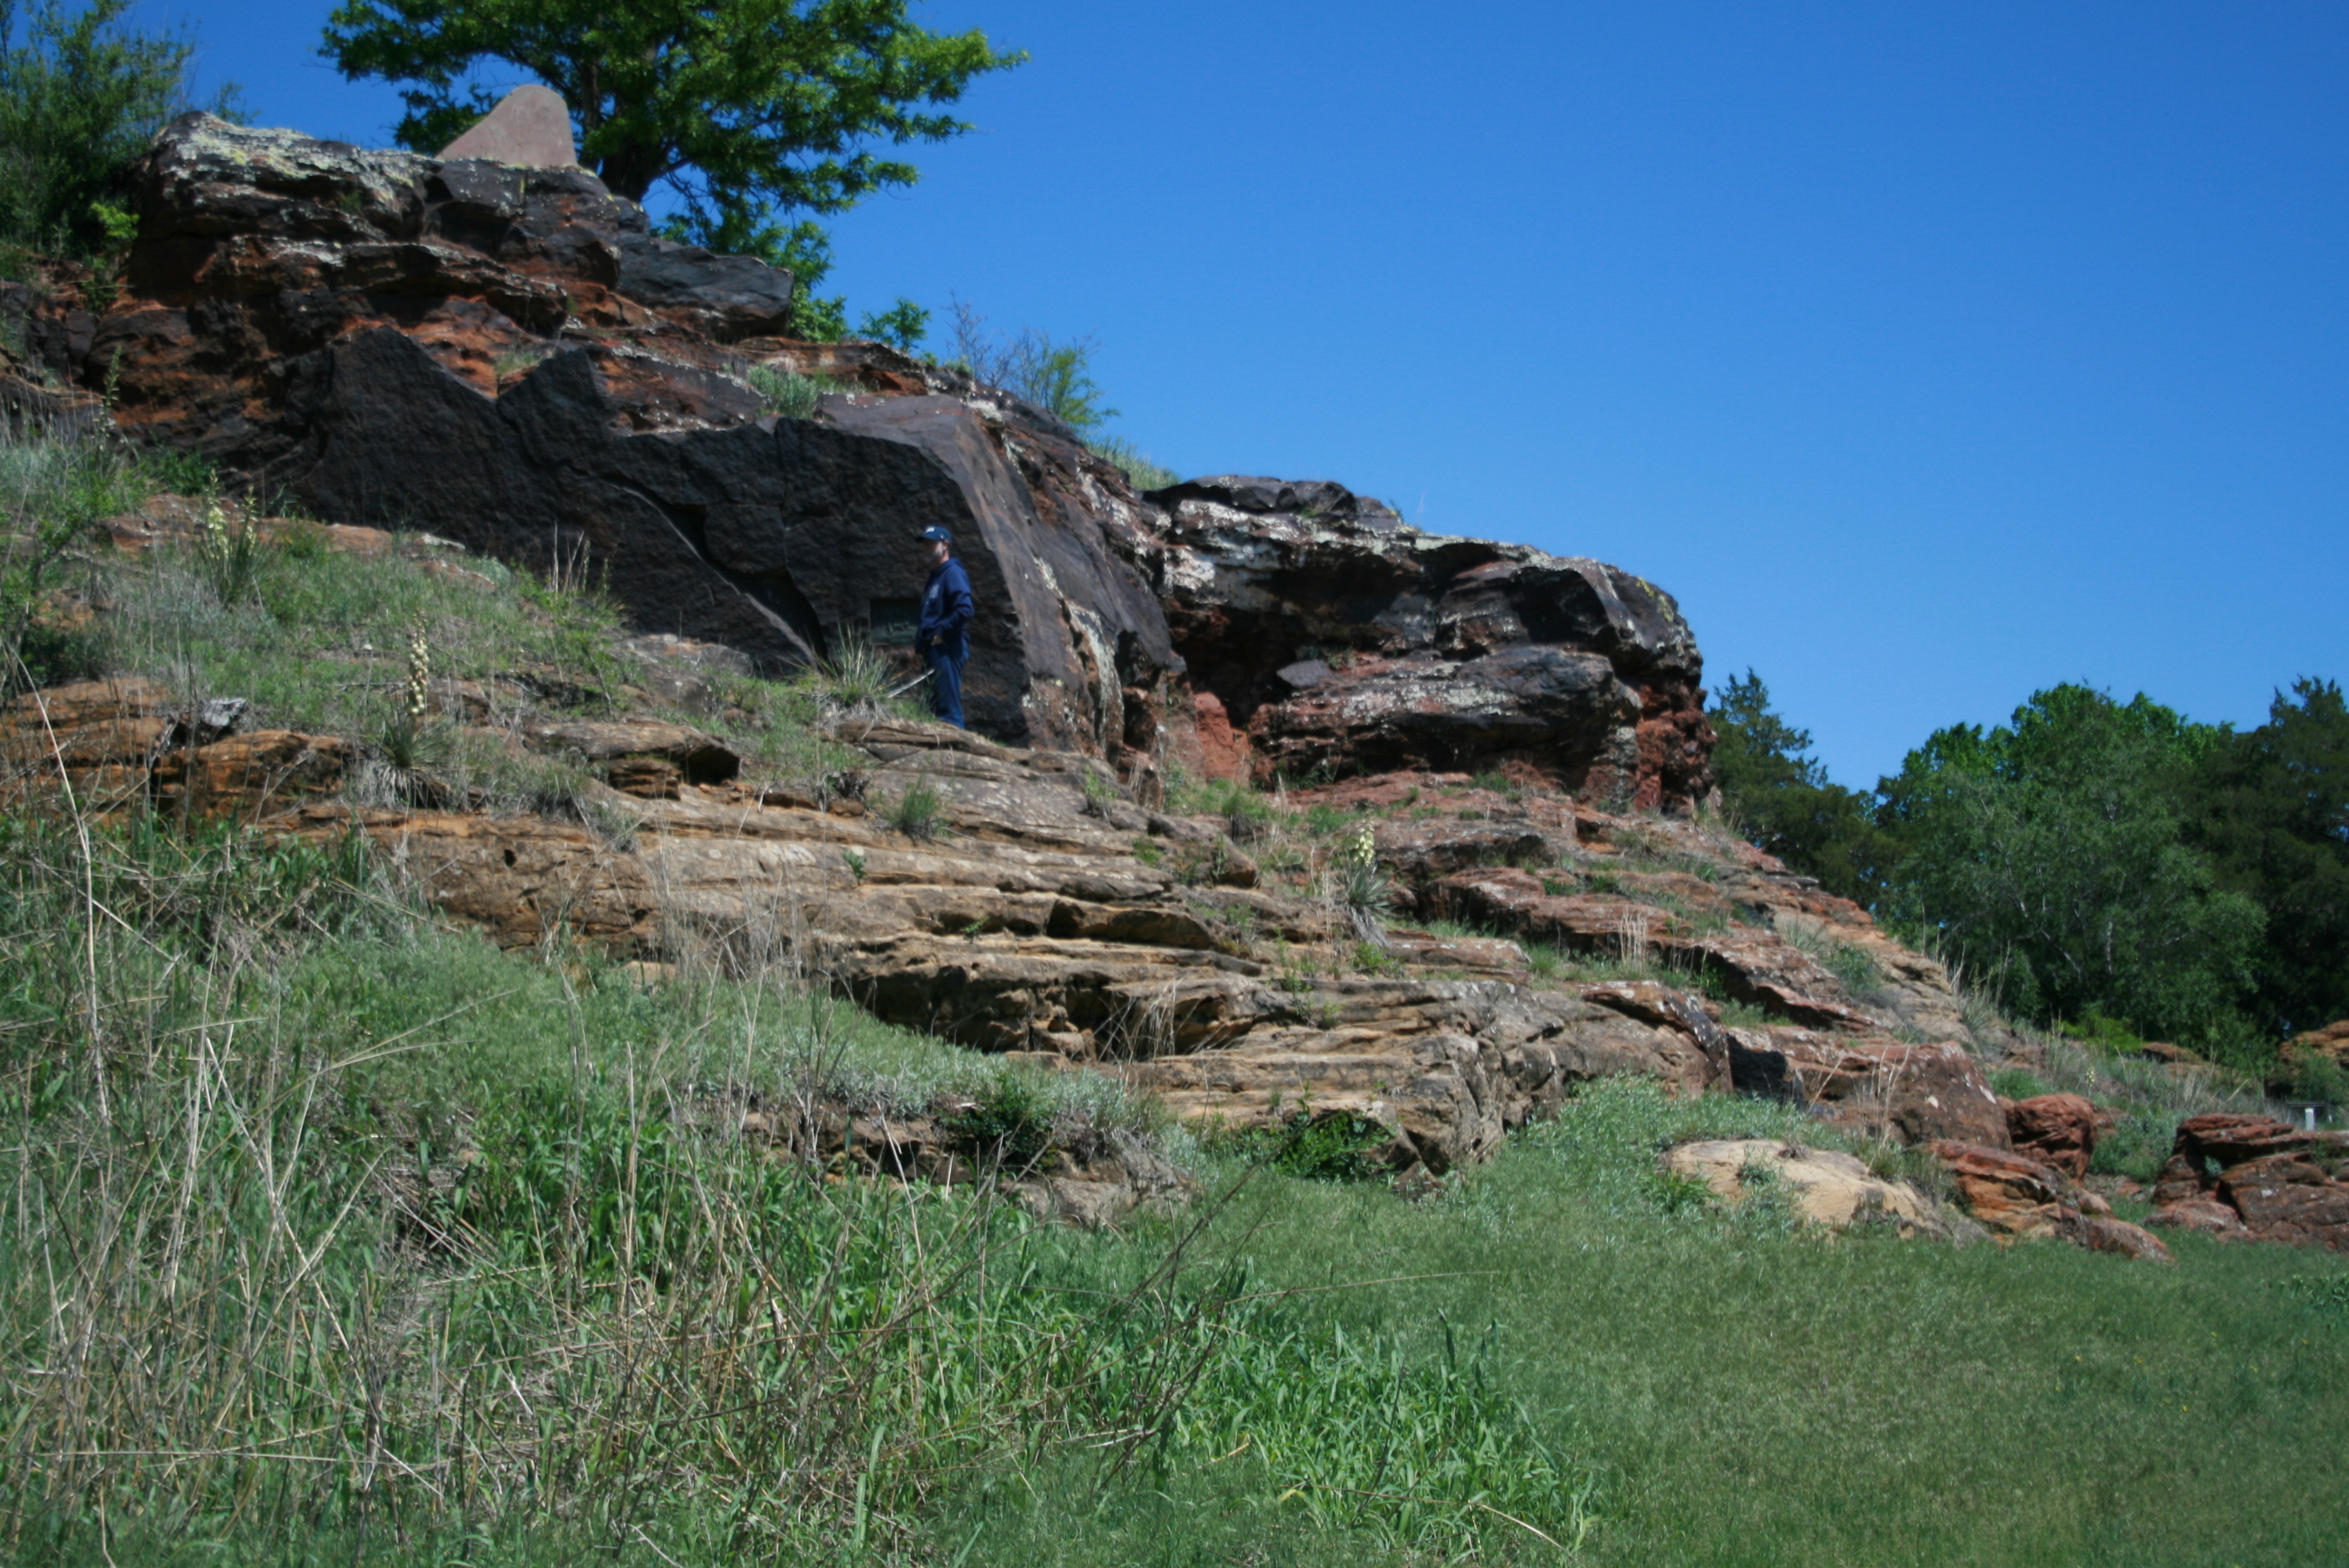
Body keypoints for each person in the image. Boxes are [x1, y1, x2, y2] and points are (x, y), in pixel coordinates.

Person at [913, 525, 973, 727]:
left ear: (945, 544)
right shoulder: (936, 576)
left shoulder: (952, 573)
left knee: (948, 712)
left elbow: (965, 609)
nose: (927, 548)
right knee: (934, 708)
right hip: (934, 650)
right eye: (925, 544)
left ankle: (955, 753)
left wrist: (942, 633)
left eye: (932, 543)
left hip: (947, 648)